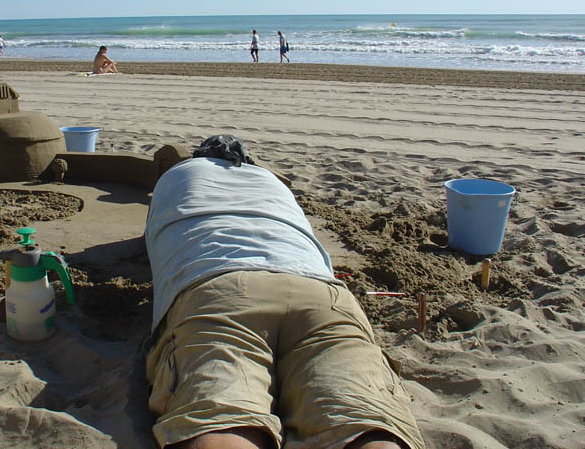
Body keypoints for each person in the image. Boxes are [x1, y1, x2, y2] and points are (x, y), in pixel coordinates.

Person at [144, 135, 425, 449]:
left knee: (221, 418)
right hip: (319, 293)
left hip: (219, 290)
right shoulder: (271, 182)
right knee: (362, 421)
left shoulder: (174, 178)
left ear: (197, 158)